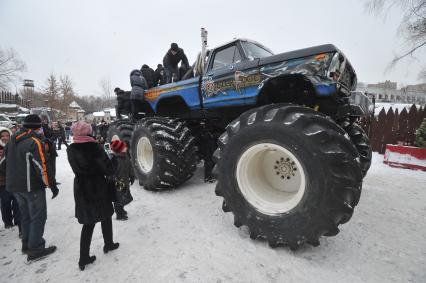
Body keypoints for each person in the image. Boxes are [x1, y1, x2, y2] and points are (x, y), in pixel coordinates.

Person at [4, 114, 58, 262]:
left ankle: (27, 245)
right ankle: (36, 248)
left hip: (15, 187)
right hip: (31, 187)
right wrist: (51, 185)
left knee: (26, 215)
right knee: (38, 217)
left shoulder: (12, 140)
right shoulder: (34, 142)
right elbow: (42, 168)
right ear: (37, 127)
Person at [67, 121, 119, 271]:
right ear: (88, 132)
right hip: (97, 185)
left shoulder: (71, 149)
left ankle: (83, 258)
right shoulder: (95, 147)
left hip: (81, 186)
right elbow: (107, 168)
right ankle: (108, 244)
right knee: (106, 215)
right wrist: (113, 161)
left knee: (88, 223)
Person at [0, 127, 21, 233]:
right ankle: (8, 222)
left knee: (17, 202)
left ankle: (18, 221)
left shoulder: (14, 146)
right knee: (5, 202)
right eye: (3, 136)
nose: (5, 138)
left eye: (7, 135)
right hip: (2, 181)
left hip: (14, 179)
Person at [110, 139, 135, 220]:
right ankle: (119, 214)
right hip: (118, 183)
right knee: (118, 199)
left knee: (124, 196)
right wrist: (116, 180)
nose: (126, 148)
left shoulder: (125, 156)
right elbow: (111, 173)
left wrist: (132, 176)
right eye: (124, 147)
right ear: (119, 149)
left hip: (125, 180)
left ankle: (121, 209)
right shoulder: (114, 160)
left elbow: (130, 167)